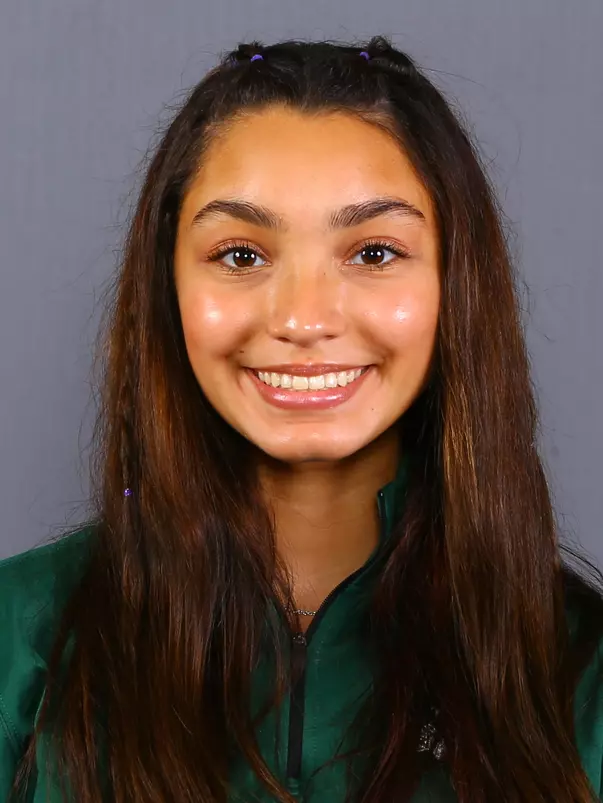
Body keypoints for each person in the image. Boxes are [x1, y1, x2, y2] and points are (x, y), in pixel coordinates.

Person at [0, 34, 602, 803]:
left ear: (455, 283)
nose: (304, 318)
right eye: (242, 255)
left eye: (375, 252)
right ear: (167, 286)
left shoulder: (579, 670)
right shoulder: (20, 642)